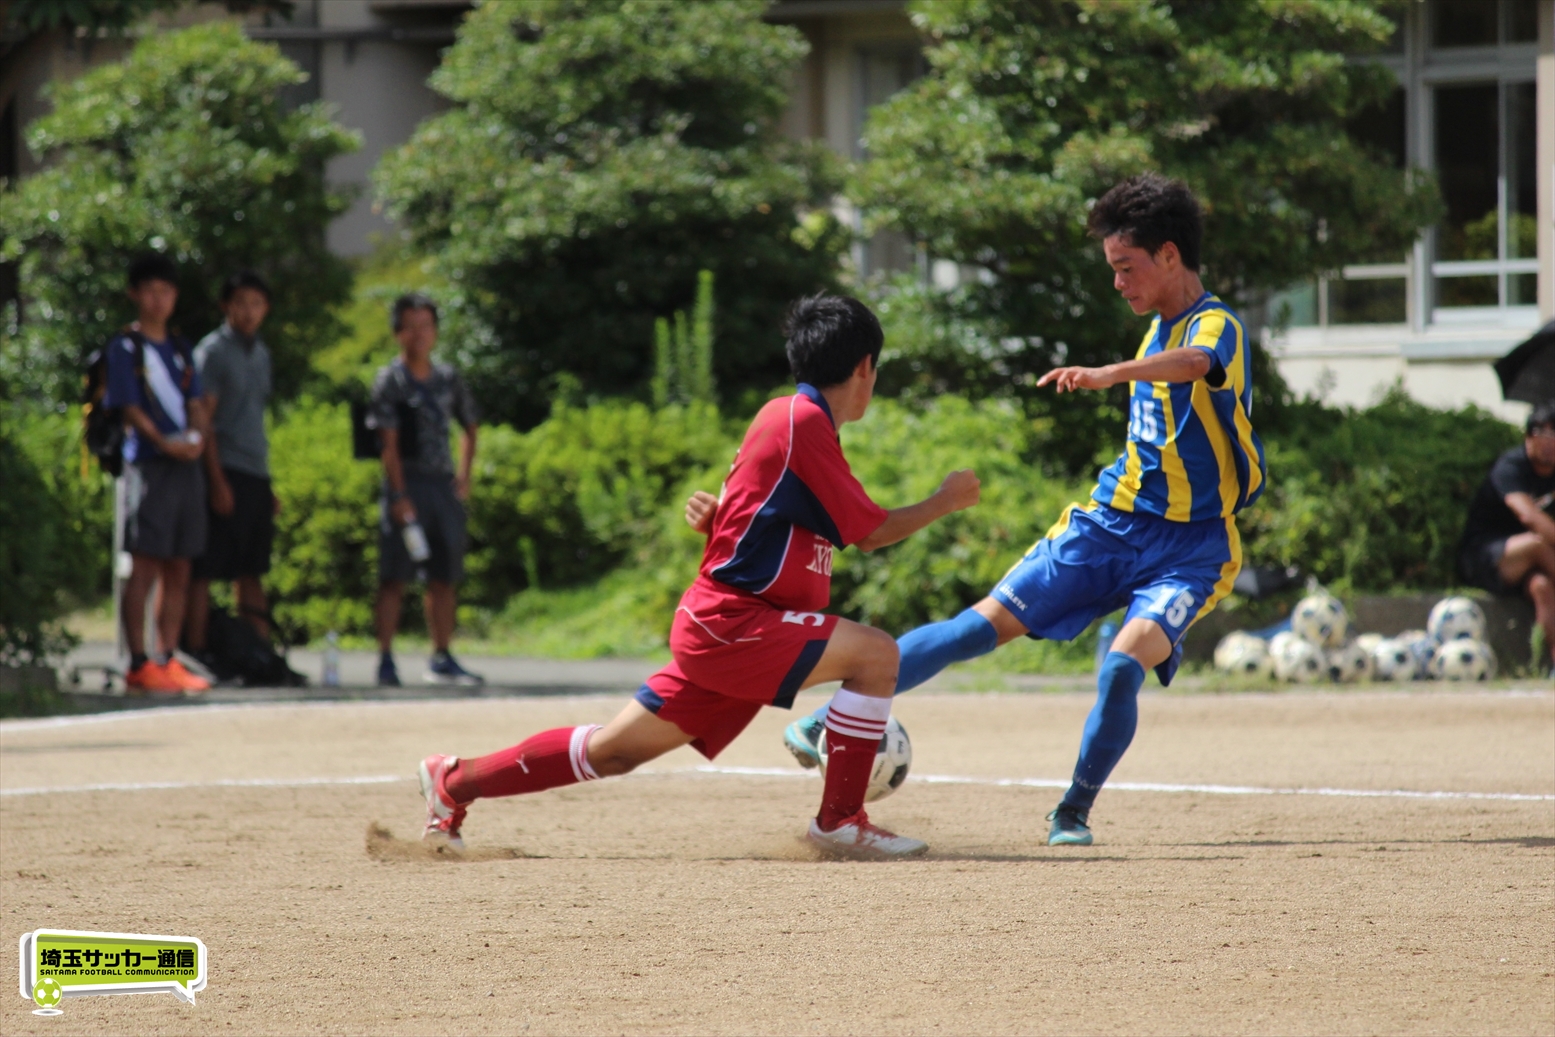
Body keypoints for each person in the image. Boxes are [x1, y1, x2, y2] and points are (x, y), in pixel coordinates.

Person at [695, 174, 1266, 847]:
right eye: (1111, 268)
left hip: (1193, 547)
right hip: (1108, 524)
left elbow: (1196, 363)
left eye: (1125, 267)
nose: (1117, 283)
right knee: (975, 627)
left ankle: (1071, 812)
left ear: (1169, 255)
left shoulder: (1211, 326)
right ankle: (829, 719)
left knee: (1119, 665)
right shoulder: (1152, 336)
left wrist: (1109, 373)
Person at [416, 294, 981, 859]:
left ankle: (454, 782)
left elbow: (757, 523)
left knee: (613, 752)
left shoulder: (793, 422)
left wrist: (716, 523)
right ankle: (839, 821)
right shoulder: (799, 420)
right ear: (864, 366)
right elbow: (873, 531)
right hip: (733, 625)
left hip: (730, 627)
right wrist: (944, 500)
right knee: (877, 655)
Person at [105, 253, 212, 695]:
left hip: (185, 465)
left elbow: (197, 402)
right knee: (145, 563)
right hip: (149, 465)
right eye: (150, 290)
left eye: (165, 291)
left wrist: (197, 438)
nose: (158, 299)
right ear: (135, 294)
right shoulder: (125, 349)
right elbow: (130, 407)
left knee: (179, 565)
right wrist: (164, 441)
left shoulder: (182, 348)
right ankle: (137, 661)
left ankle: (167, 657)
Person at [372, 293, 483, 686]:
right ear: (398, 332)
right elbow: (387, 442)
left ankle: (442, 655)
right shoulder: (391, 380)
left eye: (426, 325)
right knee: (394, 575)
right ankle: (385, 658)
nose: (419, 334)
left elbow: (470, 424)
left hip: (442, 485)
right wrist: (399, 496)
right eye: (410, 326)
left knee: (444, 574)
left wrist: (464, 476)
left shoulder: (448, 378)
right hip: (406, 484)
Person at [185, 270, 278, 660]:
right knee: (206, 568)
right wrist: (216, 479)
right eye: (241, 302)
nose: (248, 311)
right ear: (226, 306)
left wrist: (269, 485)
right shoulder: (213, 351)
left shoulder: (262, 353)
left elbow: (256, 418)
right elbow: (204, 419)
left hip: (256, 471)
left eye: (256, 303)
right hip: (224, 467)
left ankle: (259, 652)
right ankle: (197, 649)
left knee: (252, 567)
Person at [1456, 402, 1555, 674]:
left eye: (1554, 433)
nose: (1548, 441)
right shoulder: (1511, 466)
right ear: (1527, 437)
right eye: (1540, 433)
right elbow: (1528, 517)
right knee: (1536, 544)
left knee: (1541, 586)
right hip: (1486, 557)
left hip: (1534, 563)